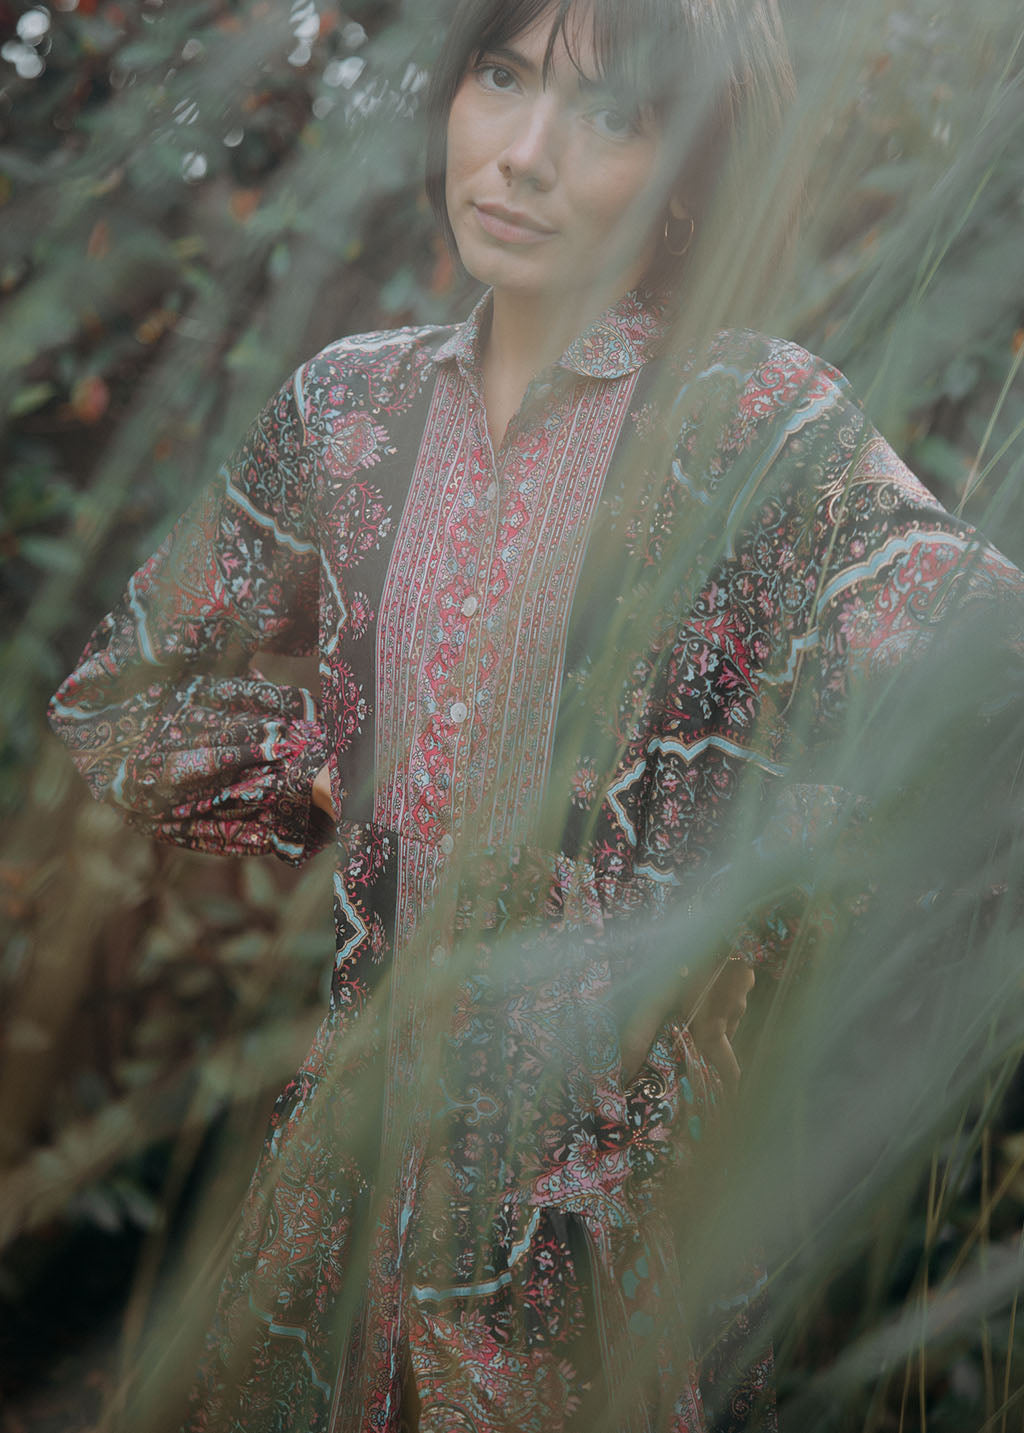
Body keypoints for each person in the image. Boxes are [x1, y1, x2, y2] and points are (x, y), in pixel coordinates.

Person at [47, 1, 1024, 1430]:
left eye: (613, 113)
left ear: (684, 176)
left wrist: (759, 897)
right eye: (501, 77)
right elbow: (113, 703)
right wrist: (323, 769)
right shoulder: (350, 411)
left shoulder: (754, 426)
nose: (525, 153)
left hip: (614, 1238)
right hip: (346, 1201)